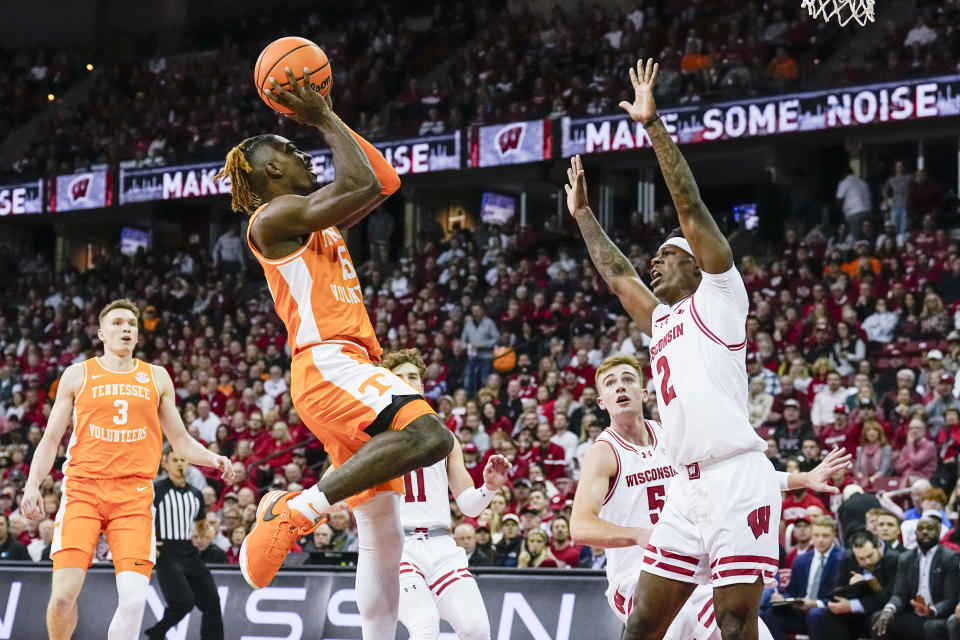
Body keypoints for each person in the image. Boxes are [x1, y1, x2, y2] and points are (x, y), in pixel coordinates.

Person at [214, 67, 454, 637]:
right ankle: (296, 511)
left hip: (344, 367)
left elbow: (384, 180)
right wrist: (321, 116)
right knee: (429, 438)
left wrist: (327, 118)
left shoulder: (312, 219)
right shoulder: (272, 218)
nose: (307, 155)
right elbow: (361, 185)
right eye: (294, 149)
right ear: (274, 169)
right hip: (330, 361)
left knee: (381, 533)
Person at [569, 58, 788, 640]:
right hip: (686, 487)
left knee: (735, 621)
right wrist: (586, 216)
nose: (654, 264)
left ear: (695, 260)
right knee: (643, 622)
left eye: (665, 257)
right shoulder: (663, 320)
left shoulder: (719, 294)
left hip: (737, 476)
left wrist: (652, 126)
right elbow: (617, 274)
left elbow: (689, 208)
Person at [570, 354, 847, 638]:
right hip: (633, 578)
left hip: (690, 570)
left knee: (756, 632)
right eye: (610, 383)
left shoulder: (672, 436)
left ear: (644, 392)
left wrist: (804, 479)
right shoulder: (603, 452)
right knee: (681, 621)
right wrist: (640, 535)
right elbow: (580, 527)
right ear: (601, 401)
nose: (620, 387)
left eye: (628, 380)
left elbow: (728, 477)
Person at [19, 299, 233, 640]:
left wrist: (213, 458)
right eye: (118, 323)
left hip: (133, 498)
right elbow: (50, 439)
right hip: (83, 492)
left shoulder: (156, 376)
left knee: (134, 602)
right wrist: (32, 485)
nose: (127, 329)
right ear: (102, 333)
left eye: (132, 324)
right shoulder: (78, 374)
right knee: (62, 596)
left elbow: (180, 440)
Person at [380, 348, 510, 640]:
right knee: (425, 628)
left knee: (477, 630)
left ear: (422, 386)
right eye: (397, 377)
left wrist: (488, 487)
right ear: (386, 384)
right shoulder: (372, 435)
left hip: (441, 547)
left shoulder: (446, 436)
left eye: (412, 377)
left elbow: (469, 507)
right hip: (398, 546)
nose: (406, 382)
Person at [144, 447, 224, 640]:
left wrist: (207, 533)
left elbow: (200, 525)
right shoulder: (156, 490)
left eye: (183, 460)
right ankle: (157, 633)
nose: (180, 464)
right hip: (166, 552)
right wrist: (148, 543)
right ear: (165, 464)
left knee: (212, 602)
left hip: (189, 552)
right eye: (175, 460)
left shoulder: (196, 494)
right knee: (183, 602)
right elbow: (140, 518)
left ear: (188, 463)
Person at [872, 511, 959, 639]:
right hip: (914, 615)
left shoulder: (949, 557)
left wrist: (931, 610)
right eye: (921, 529)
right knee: (880, 618)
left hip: (938, 615)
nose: (924, 532)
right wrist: (888, 610)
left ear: (939, 531)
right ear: (915, 533)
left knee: (932, 627)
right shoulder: (906, 558)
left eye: (929, 528)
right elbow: (899, 594)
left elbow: (950, 600)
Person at [764, 516, 842, 640]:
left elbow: (840, 596)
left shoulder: (842, 558)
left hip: (826, 611)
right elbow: (792, 591)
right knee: (769, 614)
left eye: (825, 536)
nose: (820, 540)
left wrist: (816, 603)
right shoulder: (801, 559)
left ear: (834, 535)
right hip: (801, 610)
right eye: (816, 535)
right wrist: (782, 599)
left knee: (814, 614)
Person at [821, 530, 899, 640]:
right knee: (828, 615)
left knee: (878, 617)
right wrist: (851, 587)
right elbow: (836, 589)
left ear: (878, 547)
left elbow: (890, 596)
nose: (867, 561)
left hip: (881, 609)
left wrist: (852, 605)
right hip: (859, 610)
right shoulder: (848, 557)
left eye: (870, 555)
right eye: (861, 558)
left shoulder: (895, 559)